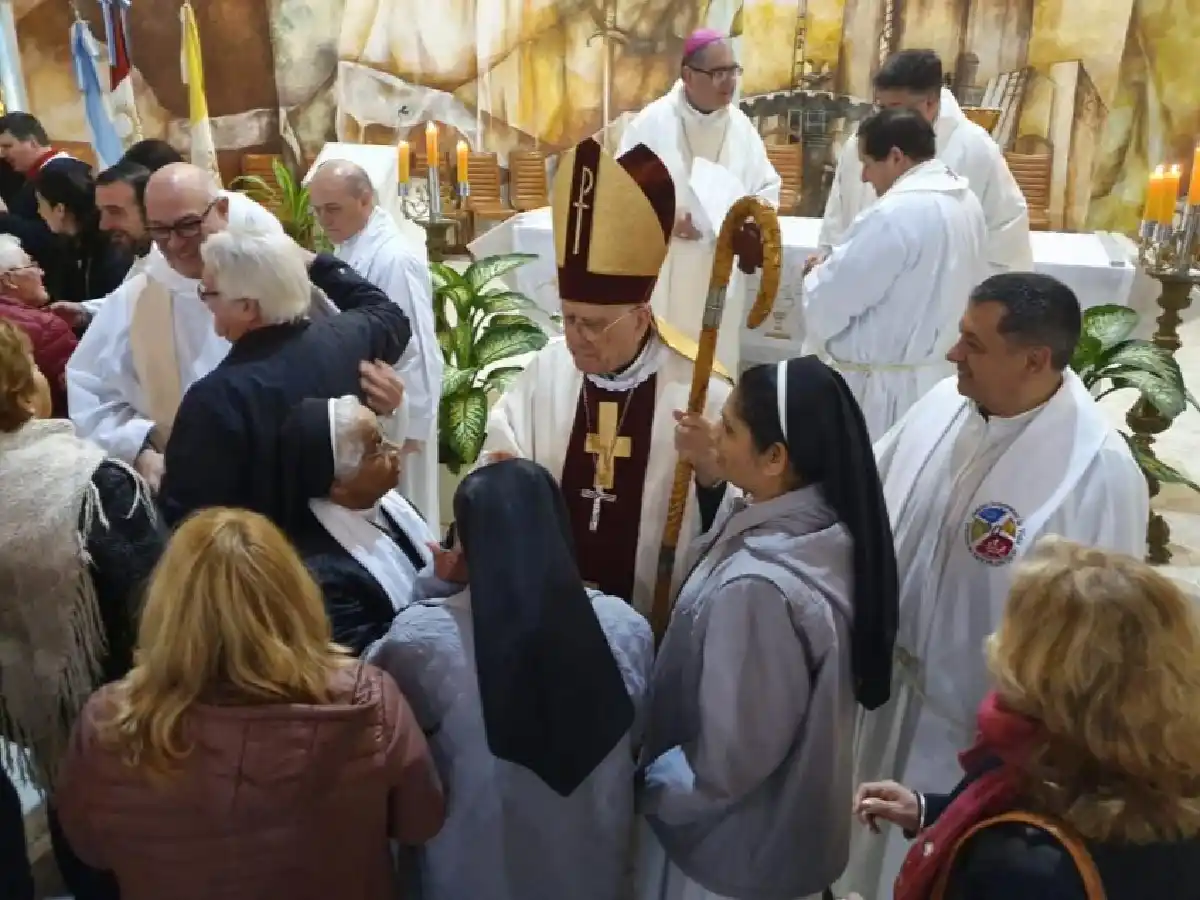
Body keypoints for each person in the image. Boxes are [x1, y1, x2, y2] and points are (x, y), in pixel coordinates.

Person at [840, 272, 1150, 900]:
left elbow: (1102, 653)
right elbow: (862, 497)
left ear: (1034, 360)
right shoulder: (941, 406)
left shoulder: (1099, 474)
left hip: (978, 747)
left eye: (974, 344)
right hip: (886, 702)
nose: (953, 353)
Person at [53, 507, 446, 900]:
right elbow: (421, 822)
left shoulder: (109, 720)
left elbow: (90, 848)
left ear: (165, 606)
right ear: (296, 596)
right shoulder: (368, 699)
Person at [635, 357, 898, 900]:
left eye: (729, 428)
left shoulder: (758, 591)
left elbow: (730, 760)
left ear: (776, 457)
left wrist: (646, 784)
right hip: (779, 835)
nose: (715, 434)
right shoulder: (824, 527)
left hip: (732, 851)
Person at [369, 457, 652, 900]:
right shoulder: (626, 625)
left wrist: (436, 585)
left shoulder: (422, 640)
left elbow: (382, 729)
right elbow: (638, 734)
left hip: (473, 863)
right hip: (589, 858)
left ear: (466, 542)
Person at [854, 537, 1200, 899]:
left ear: (1045, 671)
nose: (995, 639)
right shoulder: (1160, 768)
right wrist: (927, 811)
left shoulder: (1023, 866)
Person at [483, 137, 734, 613]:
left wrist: (710, 472)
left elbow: (735, 517)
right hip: (550, 610)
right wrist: (502, 475)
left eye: (594, 324)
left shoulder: (701, 391)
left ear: (641, 318)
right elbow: (500, 450)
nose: (577, 337)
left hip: (652, 618)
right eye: (568, 318)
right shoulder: (547, 371)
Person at [65, 163, 361, 488]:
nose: (174, 244)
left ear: (221, 209)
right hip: (196, 489)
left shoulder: (280, 279)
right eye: (159, 230)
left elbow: (346, 359)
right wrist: (139, 449)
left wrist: (378, 391)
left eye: (188, 226)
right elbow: (91, 392)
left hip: (296, 481)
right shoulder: (136, 301)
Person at [0, 318, 163, 900]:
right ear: (25, 390)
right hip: (133, 727)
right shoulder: (91, 485)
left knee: (79, 838)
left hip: (40, 727)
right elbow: (158, 608)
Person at [158, 227, 411, 526]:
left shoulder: (217, 398)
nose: (204, 301)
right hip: (354, 538)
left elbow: (190, 522)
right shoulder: (347, 340)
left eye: (208, 292)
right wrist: (316, 264)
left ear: (247, 307)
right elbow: (388, 314)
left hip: (272, 549)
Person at [803, 108, 987, 439]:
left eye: (867, 164)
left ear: (896, 157)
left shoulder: (894, 215)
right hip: (938, 385)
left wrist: (815, 274)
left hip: (885, 396)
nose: (864, 177)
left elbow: (832, 302)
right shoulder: (965, 200)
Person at [616, 28, 779, 372]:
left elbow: (767, 188)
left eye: (733, 71)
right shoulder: (651, 125)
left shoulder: (741, 129)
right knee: (663, 371)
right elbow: (621, 192)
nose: (729, 81)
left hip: (720, 269)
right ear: (689, 75)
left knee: (715, 368)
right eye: (718, 73)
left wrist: (749, 223)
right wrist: (667, 219)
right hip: (667, 269)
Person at [309, 160, 445, 525]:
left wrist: (412, 427)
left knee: (407, 516)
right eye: (318, 210)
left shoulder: (394, 258)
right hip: (369, 410)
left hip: (398, 415)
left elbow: (417, 346)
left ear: (365, 200)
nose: (324, 220)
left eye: (333, 209)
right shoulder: (349, 248)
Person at [818, 49, 1031, 276]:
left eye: (895, 108)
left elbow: (1006, 237)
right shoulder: (860, 144)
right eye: (881, 108)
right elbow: (837, 217)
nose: (885, 119)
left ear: (929, 103)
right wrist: (828, 262)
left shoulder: (976, 150)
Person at [281, 395, 437, 655]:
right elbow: (372, 657)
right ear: (339, 487)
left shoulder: (390, 504)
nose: (393, 449)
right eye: (376, 448)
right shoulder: (322, 574)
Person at [33, 158, 133, 303]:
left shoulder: (111, 252)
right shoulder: (70, 245)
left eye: (40, 204)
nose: (39, 211)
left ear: (60, 209)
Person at [0, 233, 76, 415]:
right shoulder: (48, 327)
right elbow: (80, 387)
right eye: (31, 265)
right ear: (9, 280)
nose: (41, 272)